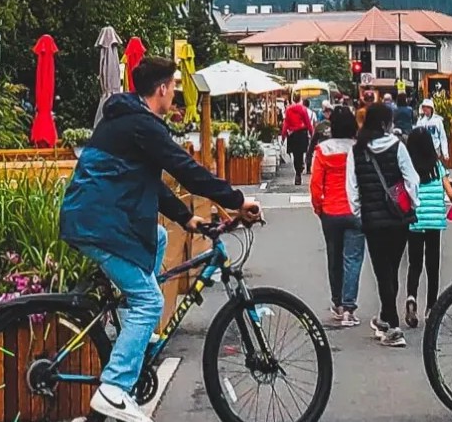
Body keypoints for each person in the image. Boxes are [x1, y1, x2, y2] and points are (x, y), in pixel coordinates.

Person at [59, 56, 255, 422]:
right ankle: (114, 388)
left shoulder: (128, 119)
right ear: (162, 88)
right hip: (99, 224)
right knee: (149, 301)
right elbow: (187, 170)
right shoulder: (142, 125)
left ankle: (138, 331)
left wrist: (187, 218)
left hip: (98, 220)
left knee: (160, 237)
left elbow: (149, 180)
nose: (175, 94)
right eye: (174, 87)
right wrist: (238, 200)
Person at [346, 100, 422, 345]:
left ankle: (391, 324)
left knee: (382, 272)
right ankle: (388, 320)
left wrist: (360, 212)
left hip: (372, 221)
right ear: (384, 123)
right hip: (398, 219)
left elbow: (352, 188)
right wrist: (412, 203)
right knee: (392, 268)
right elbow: (412, 179)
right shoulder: (397, 146)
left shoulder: (357, 150)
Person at [308, 104, 365, 329]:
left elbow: (315, 184)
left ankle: (337, 303)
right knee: (353, 259)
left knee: (334, 258)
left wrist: (318, 207)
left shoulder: (323, 149)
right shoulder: (359, 148)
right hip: (354, 210)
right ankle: (349, 309)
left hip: (330, 211)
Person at [402, 128, 449, 329]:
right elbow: (450, 191)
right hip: (435, 221)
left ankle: (411, 298)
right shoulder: (437, 166)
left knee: (414, 263)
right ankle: (432, 307)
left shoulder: (409, 167)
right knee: (432, 264)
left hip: (415, 219)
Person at [281, 94, 314, 185]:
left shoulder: (288, 110)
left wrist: (283, 136)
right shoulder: (303, 109)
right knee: (301, 153)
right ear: (300, 99)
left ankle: (298, 172)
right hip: (302, 134)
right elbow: (308, 123)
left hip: (292, 135)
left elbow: (286, 124)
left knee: (295, 155)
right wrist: (312, 134)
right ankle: (300, 168)